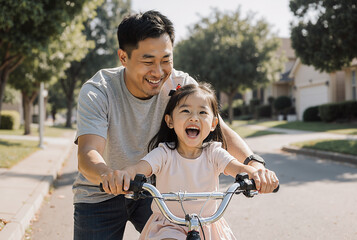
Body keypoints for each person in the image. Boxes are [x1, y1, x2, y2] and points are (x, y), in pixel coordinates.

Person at [73, 10, 278, 240]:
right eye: (148, 61)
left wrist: (254, 164)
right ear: (123, 57)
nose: (158, 72)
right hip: (102, 192)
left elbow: (220, 130)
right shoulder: (99, 91)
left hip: (154, 188)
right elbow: (88, 152)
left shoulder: (180, 84)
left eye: (166, 60)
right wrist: (108, 175)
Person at [116, 83, 278, 240]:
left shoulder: (214, 153)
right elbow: (139, 168)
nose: (194, 118)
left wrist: (259, 174)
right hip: (169, 226)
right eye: (185, 111)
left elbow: (238, 168)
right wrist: (124, 175)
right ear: (170, 120)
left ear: (214, 123)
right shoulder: (163, 153)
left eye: (202, 113)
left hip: (208, 224)